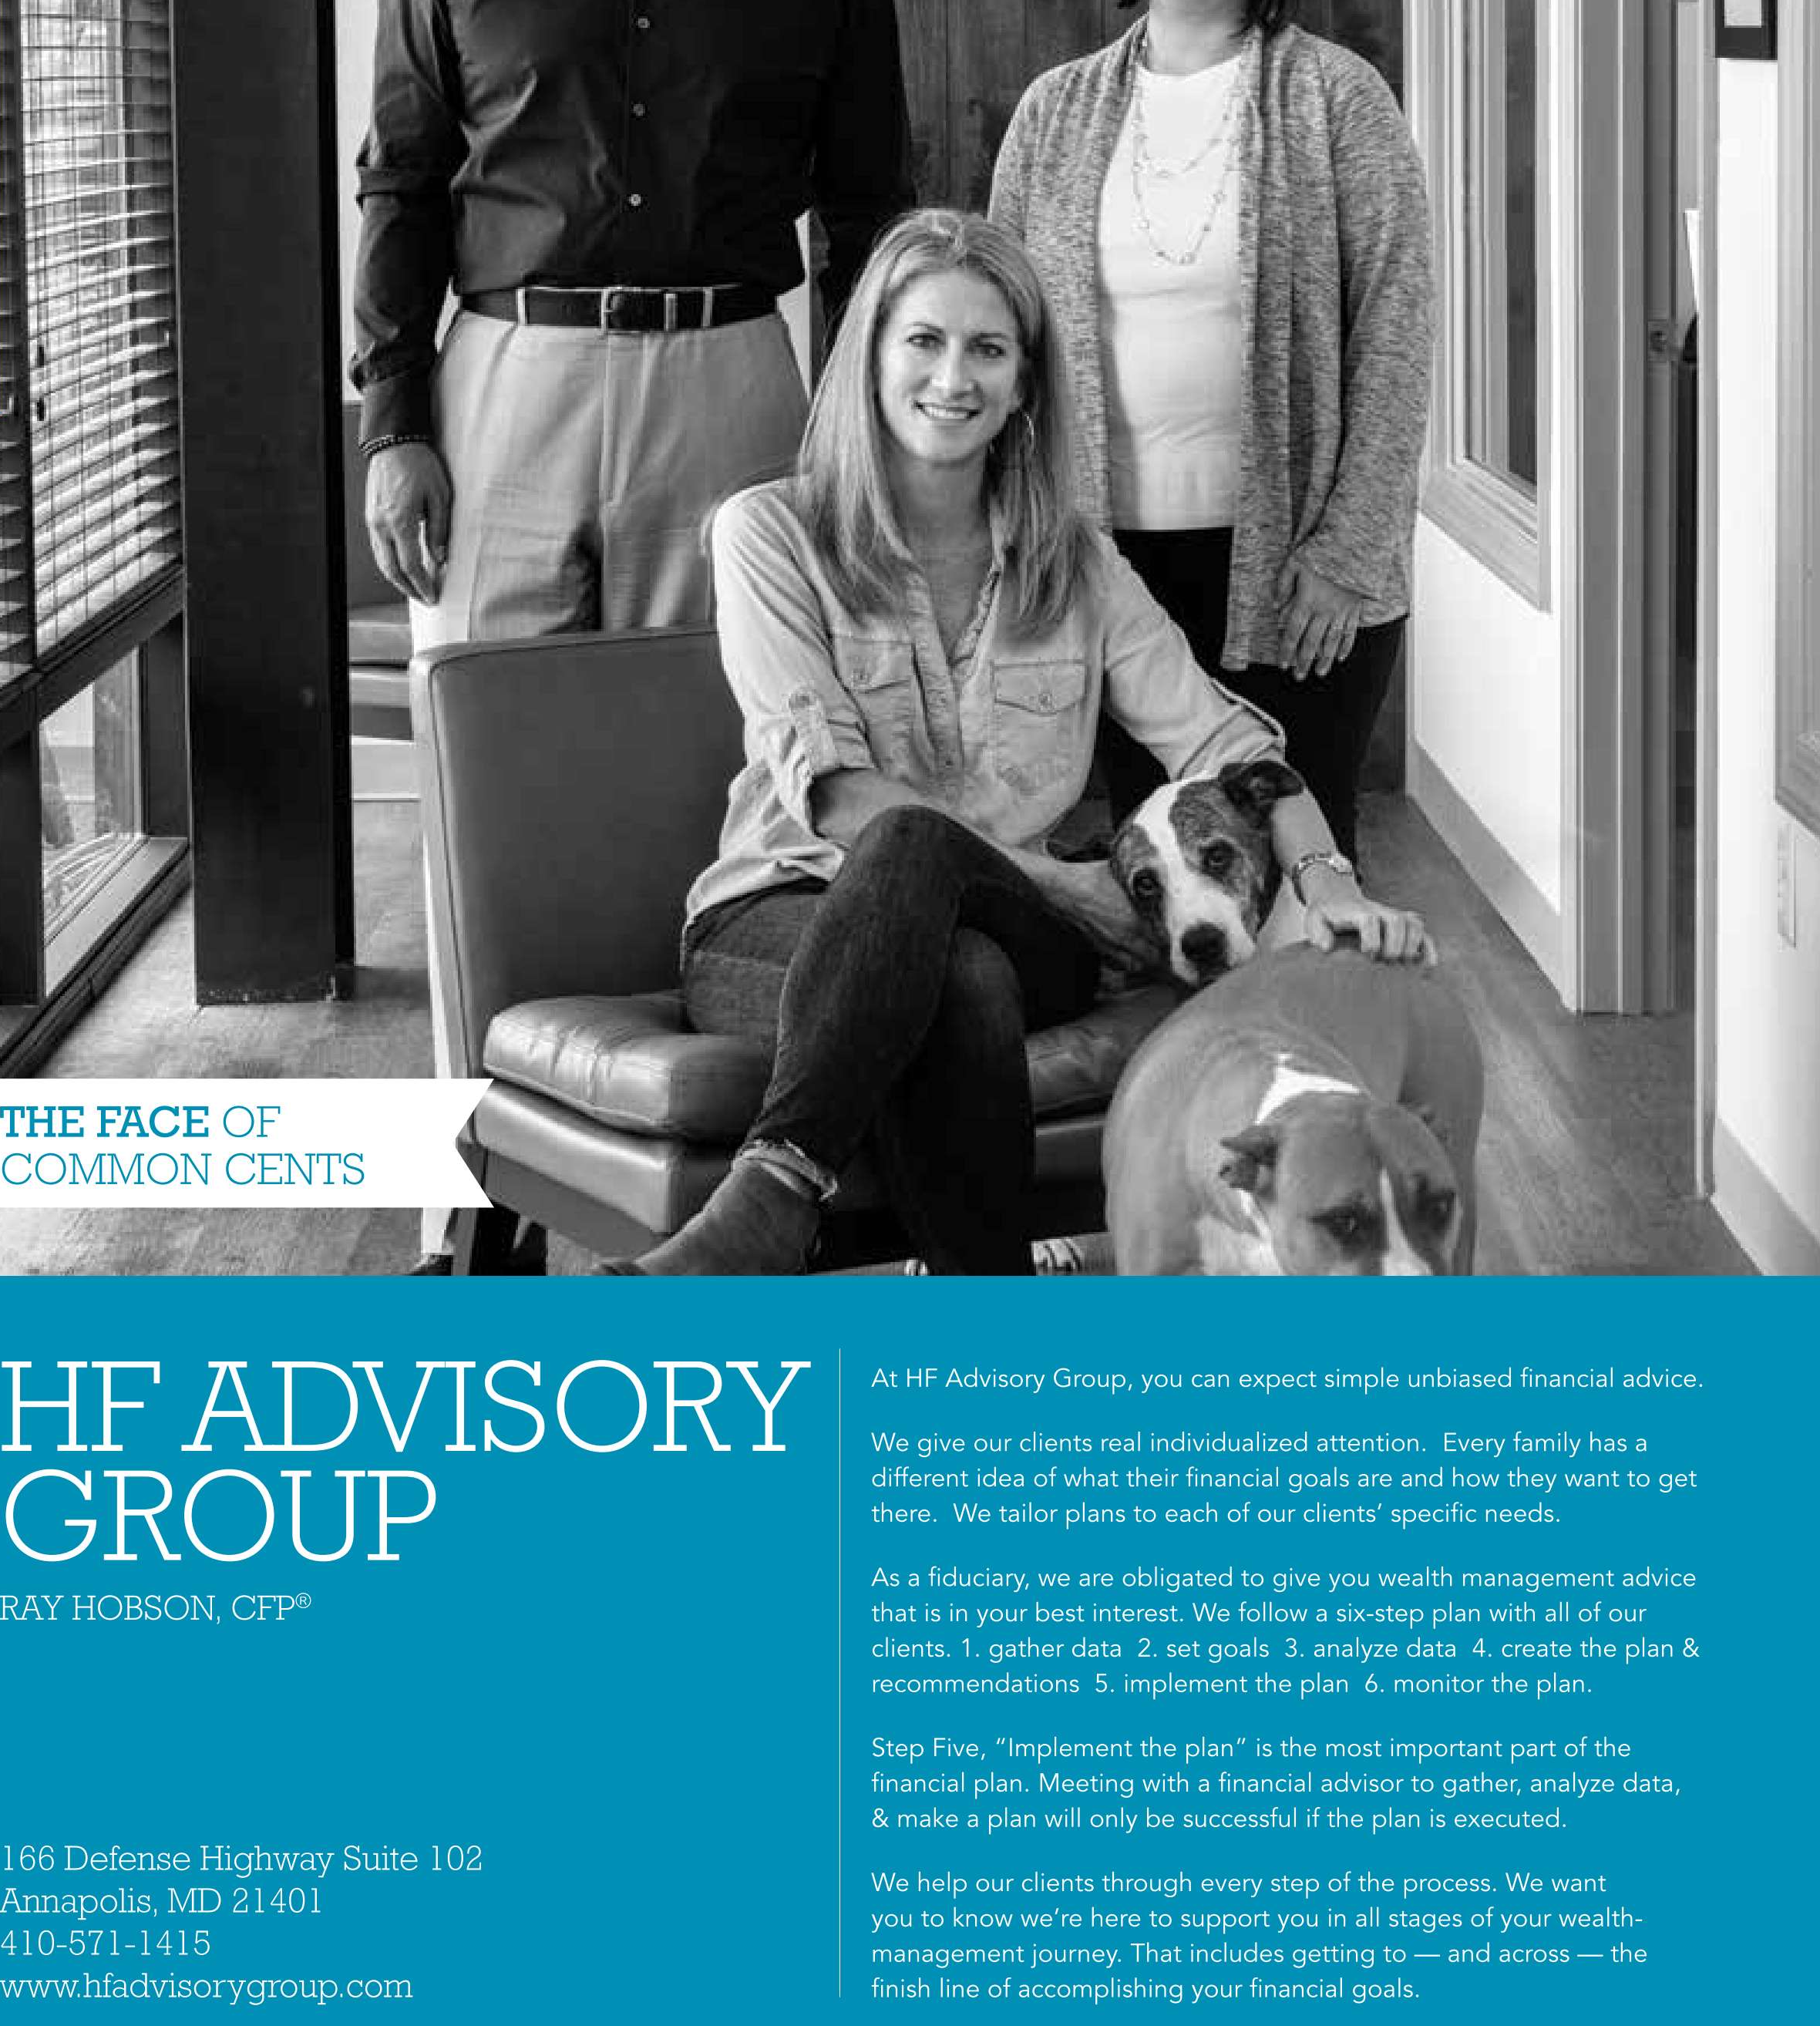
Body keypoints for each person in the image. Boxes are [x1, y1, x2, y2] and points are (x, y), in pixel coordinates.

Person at [349, 0, 913, 1269]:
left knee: (728, 766)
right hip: (504, 383)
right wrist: (393, 420)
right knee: (488, 772)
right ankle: (479, 1184)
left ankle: (699, 1153)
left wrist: (860, 436)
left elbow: (867, 210)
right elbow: (398, 185)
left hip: (737, 373)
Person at [604, 210, 1433, 1280]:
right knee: (949, 945)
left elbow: (1228, 742)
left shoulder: (1075, 563)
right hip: (777, 921)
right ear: (870, 358)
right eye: (924, 340)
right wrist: (1065, 885)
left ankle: (764, 1210)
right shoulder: (767, 533)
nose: (954, 378)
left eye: (988, 349)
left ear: (1025, 384)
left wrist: (1329, 877)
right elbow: (842, 800)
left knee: (957, 922)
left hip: (1023, 929)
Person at [990, 0, 1432, 866]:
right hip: (1107, 564)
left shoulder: (1339, 97)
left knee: (1304, 863)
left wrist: (1347, 551)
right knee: (1160, 866)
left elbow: (1398, 329)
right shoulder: (1054, 111)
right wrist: (1017, 534)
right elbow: (1002, 331)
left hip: (1298, 570)